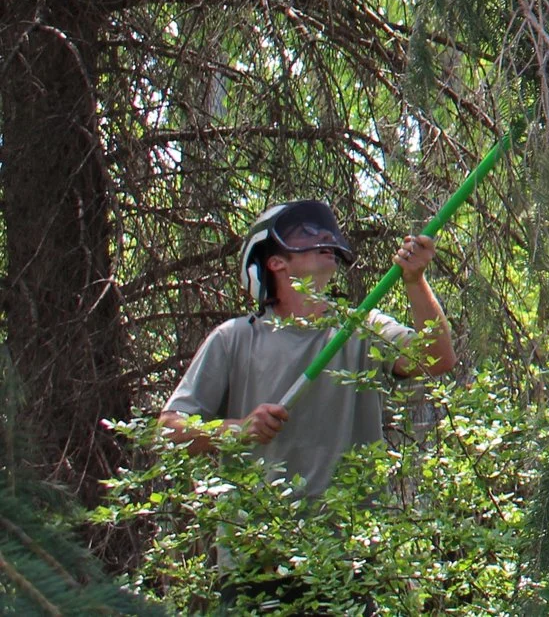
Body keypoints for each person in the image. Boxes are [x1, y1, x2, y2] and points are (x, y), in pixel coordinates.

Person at [158, 199, 458, 499]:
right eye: (306, 231)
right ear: (275, 262)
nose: (326, 236)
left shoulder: (362, 327)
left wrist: (415, 281)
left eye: (326, 230)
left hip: (351, 527)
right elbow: (168, 431)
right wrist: (238, 429)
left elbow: (437, 359)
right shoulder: (234, 338)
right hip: (259, 526)